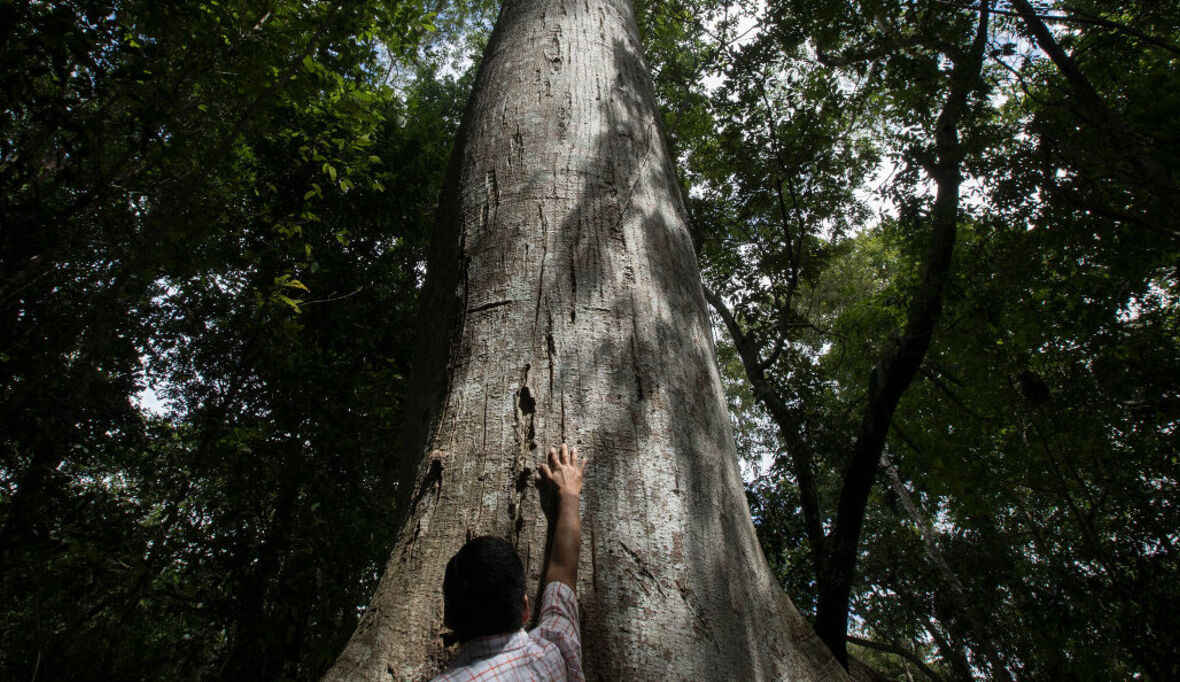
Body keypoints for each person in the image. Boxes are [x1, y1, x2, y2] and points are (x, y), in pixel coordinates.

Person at [432, 444, 587, 681]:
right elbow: (563, 571)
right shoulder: (548, 658)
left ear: (448, 620)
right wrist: (569, 494)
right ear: (525, 608)